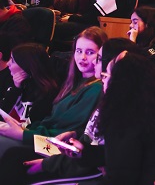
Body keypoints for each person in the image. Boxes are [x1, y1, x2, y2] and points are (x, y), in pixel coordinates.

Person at [27, 46, 155, 184]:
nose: (103, 80)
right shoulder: (137, 108)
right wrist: (84, 153)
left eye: (107, 76)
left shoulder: (128, 119)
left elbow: (120, 175)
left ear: (122, 83)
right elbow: (116, 156)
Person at [0, 27, 105, 158]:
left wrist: (24, 134)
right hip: (41, 139)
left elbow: (63, 131)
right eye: (79, 51)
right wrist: (25, 128)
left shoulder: (96, 88)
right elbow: (51, 121)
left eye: (90, 52)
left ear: (102, 55)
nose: (82, 57)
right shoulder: (73, 83)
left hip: (56, 149)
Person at [0, 43, 59, 127]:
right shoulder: (17, 83)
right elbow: (2, 112)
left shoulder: (47, 92)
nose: (8, 63)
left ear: (26, 66)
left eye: (13, 60)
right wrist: (16, 89)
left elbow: (33, 125)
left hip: (21, 135)